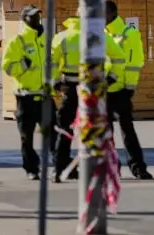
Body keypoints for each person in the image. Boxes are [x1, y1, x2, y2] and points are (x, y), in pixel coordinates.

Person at [49, 13, 126, 182]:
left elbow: (52, 62)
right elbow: (119, 57)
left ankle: (59, 169)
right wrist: (111, 78)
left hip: (70, 88)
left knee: (65, 129)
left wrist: (55, 83)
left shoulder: (62, 37)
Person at [1, 5, 52, 181]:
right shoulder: (17, 41)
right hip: (26, 96)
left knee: (54, 133)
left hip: (45, 95)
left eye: (38, 15)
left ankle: (60, 166)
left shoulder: (45, 39)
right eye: (32, 17)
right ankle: (31, 168)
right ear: (25, 19)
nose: (36, 19)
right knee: (27, 137)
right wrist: (24, 65)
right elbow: (7, 67)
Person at [105, 0, 153, 179]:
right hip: (105, 90)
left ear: (111, 13)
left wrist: (130, 87)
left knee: (127, 130)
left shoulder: (129, 33)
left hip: (122, 91)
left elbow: (135, 62)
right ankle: (111, 168)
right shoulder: (102, 34)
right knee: (106, 133)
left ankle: (138, 167)